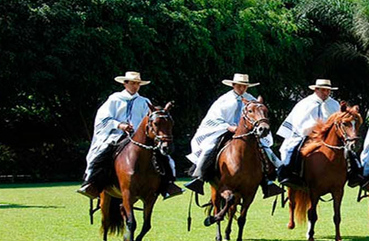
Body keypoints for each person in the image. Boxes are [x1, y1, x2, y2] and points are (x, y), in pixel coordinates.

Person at [77, 71, 182, 199]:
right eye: (132, 83)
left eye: (137, 84)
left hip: (141, 137)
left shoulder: (144, 102)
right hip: (117, 135)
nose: (135, 86)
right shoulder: (114, 100)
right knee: (102, 153)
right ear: (125, 84)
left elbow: (151, 121)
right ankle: (92, 183)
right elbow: (103, 119)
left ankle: (167, 185)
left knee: (163, 155)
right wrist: (120, 125)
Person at [185, 73, 282, 198]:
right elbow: (214, 118)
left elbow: (258, 116)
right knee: (210, 147)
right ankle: (199, 177)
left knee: (265, 150)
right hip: (225, 131)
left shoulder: (251, 99)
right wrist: (228, 127)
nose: (242, 88)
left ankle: (268, 180)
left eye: (245, 86)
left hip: (247, 133)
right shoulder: (224, 100)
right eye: (240, 86)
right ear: (234, 85)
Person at [277, 79, 364, 187]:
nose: (326, 93)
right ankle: (288, 174)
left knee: (349, 151)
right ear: (316, 90)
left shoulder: (334, 104)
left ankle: (355, 173)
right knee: (294, 148)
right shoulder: (305, 103)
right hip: (307, 134)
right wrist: (312, 128)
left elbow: (340, 121)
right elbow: (298, 122)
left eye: (328, 90)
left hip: (329, 136)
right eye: (324, 90)